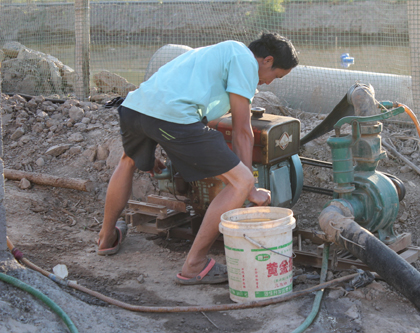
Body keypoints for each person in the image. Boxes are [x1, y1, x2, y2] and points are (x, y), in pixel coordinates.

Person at [97, 32, 299, 285]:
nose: (269, 83)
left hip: (134, 109)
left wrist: (154, 154)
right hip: (170, 118)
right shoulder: (246, 62)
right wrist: (250, 185)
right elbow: (242, 131)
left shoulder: (213, 52)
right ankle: (194, 265)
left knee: (128, 160)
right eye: (276, 76)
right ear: (267, 60)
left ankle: (106, 238)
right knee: (240, 182)